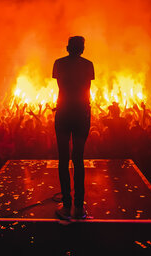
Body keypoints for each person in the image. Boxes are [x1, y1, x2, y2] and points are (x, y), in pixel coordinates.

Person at [52, 36, 95, 220]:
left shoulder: (59, 63)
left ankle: (67, 205)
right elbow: (86, 87)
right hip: (82, 113)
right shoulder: (88, 64)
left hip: (64, 112)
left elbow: (61, 85)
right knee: (78, 159)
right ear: (83, 49)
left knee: (63, 159)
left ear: (68, 47)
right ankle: (79, 206)